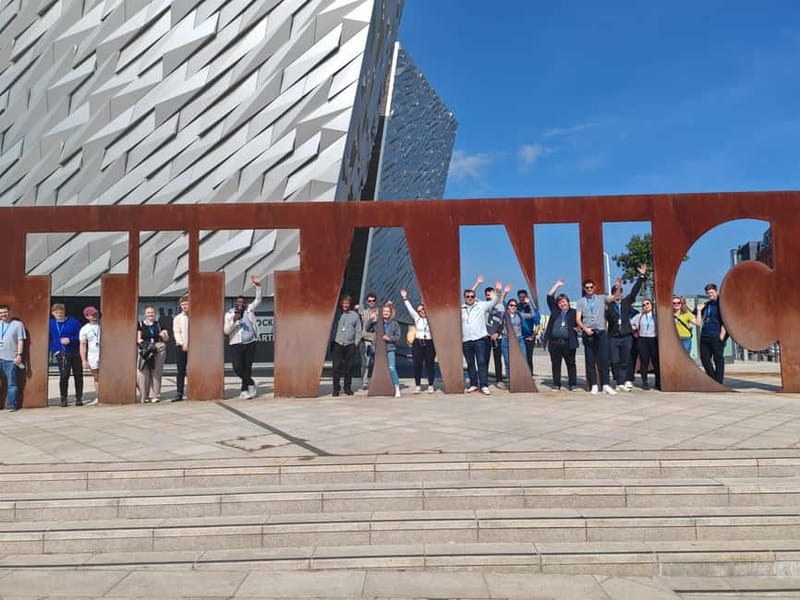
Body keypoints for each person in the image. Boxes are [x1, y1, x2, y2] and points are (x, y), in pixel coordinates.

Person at [462, 278, 507, 395]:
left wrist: (498, 291)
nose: (470, 298)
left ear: (474, 297)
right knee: (470, 364)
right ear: (464, 297)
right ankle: (473, 384)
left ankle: (484, 385)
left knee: (482, 362)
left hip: (479, 340)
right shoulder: (461, 309)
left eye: (472, 296)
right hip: (466, 340)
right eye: (468, 296)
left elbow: (495, 301)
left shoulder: (481, 305)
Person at [605, 265, 646, 392]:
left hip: (626, 335)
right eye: (615, 292)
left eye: (619, 292)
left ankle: (622, 382)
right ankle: (618, 379)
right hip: (613, 336)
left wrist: (641, 276)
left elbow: (634, 291)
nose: (618, 294)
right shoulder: (608, 305)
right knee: (615, 360)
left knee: (625, 360)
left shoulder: (626, 302)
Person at [224, 275, 262, 399]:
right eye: (238, 302)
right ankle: (251, 382)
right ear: (235, 303)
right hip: (236, 344)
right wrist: (234, 321)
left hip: (250, 343)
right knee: (237, 367)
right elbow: (226, 331)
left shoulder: (249, 310)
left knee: (247, 367)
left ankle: (245, 390)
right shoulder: (229, 314)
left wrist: (258, 286)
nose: (240, 304)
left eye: (242, 302)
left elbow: (258, 300)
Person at [576, 279, 615, 395]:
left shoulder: (601, 298)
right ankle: (593, 385)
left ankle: (606, 384)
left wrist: (618, 287)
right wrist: (585, 329)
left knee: (604, 360)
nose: (589, 289)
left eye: (591, 287)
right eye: (587, 287)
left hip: (601, 332)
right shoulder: (581, 301)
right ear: (584, 288)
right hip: (588, 332)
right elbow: (578, 319)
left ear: (594, 287)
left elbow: (614, 297)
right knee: (590, 360)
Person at [543, 280, 578, 391]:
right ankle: (556, 384)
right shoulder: (555, 311)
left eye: (564, 302)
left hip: (569, 342)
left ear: (568, 302)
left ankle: (572, 384)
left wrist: (579, 328)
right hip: (554, 342)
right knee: (556, 364)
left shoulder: (574, 312)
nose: (562, 304)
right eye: (560, 303)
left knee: (571, 364)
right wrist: (557, 285)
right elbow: (549, 296)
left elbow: (582, 322)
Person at [401, 289, 435, 393]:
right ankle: (418, 385)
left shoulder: (431, 318)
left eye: (423, 309)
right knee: (417, 364)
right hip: (418, 343)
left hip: (429, 342)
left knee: (430, 364)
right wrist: (405, 298)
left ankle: (430, 385)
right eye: (419, 311)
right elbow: (410, 309)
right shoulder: (417, 318)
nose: (422, 312)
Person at [49, 303, 83, 407]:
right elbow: (49, 338)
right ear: (53, 313)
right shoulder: (50, 323)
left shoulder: (74, 322)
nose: (59, 314)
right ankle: (63, 398)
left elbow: (81, 336)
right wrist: (55, 350)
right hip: (61, 353)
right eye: (57, 313)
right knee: (64, 376)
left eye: (61, 312)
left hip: (75, 352)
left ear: (64, 312)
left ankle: (78, 398)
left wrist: (70, 340)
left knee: (78, 375)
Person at [136, 305, 169, 403]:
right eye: (148, 312)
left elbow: (166, 338)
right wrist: (147, 345)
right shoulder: (140, 324)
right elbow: (138, 339)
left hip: (157, 349)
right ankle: (144, 396)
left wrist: (164, 335)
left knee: (156, 373)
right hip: (145, 350)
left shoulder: (159, 324)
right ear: (145, 314)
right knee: (142, 373)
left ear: (155, 313)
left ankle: (155, 395)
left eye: (152, 312)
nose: (150, 314)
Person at [501, 297, 535, 384]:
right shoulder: (504, 315)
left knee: (523, 360)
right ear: (508, 306)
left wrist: (529, 303)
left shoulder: (519, 315)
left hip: (518, 339)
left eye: (515, 305)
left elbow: (532, 314)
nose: (513, 307)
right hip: (506, 339)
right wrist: (504, 293)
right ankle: (510, 380)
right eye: (511, 305)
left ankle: (523, 379)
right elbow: (500, 302)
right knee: (508, 361)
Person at [697, 283, 726, 384]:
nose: (710, 294)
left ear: (716, 292)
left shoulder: (721, 304)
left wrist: (722, 335)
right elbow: (695, 312)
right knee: (705, 359)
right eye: (708, 293)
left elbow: (726, 320)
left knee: (718, 359)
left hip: (716, 335)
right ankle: (713, 379)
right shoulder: (707, 304)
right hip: (704, 335)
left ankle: (719, 380)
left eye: (711, 292)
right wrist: (684, 305)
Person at [371, 301, 401, 397]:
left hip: (390, 348)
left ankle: (397, 388)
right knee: (379, 369)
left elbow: (398, 337)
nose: (386, 313)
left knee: (392, 368)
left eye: (387, 311)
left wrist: (389, 338)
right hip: (379, 350)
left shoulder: (394, 324)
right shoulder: (377, 323)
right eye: (384, 311)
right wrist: (371, 320)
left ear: (390, 313)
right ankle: (381, 387)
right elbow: (367, 328)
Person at [0, 305, 26, 412]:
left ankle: (12, 405)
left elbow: (20, 340)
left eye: (5, 312)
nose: (3, 314)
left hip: (11, 359)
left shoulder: (17, 325)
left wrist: (19, 354)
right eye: (1, 313)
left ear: (9, 312)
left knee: (12, 383)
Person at [631, 299, 660, 390]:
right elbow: (631, 324)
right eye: (643, 305)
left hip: (653, 339)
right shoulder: (639, 316)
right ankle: (645, 382)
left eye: (647, 304)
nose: (646, 306)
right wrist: (633, 327)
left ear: (652, 305)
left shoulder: (656, 316)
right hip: (642, 340)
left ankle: (658, 382)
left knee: (656, 361)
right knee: (644, 361)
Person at [78, 306, 101, 406]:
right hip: (93, 355)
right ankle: (99, 397)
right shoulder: (84, 329)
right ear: (87, 316)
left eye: (96, 313)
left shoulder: (103, 325)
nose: (95, 316)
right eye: (92, 314)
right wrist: (84, 360)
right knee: (96, 376)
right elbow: (83, 344)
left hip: (106, 354)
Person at [485, 286, 505, 387]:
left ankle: (499, 380)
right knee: (485, 359)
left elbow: (503, 322)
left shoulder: (500, 306)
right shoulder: (484, 305)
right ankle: (484, 380)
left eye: (490, 293)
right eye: (486, 294)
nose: (488, 295)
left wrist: (497, 333)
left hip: (497, 336)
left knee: (497, 359)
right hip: (486, 335)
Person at [517, 289, 541, 373]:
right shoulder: (517, 308)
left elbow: (537, 324)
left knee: (528, 358)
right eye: (520, 297)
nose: (522, 299)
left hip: (529, 337)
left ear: (527, 297)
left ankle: (530, 374)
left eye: (524, 297)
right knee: (519, 358)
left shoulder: (533, 309)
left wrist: (533, 336)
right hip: (519, 336)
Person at [358, 293, 379, 391]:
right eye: (369, 301)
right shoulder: (363, 312)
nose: (371, 302)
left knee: (376, 363)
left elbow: (391, 314)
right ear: (367, 302)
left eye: (373, 300)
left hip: (377, 340)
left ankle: (376, 382)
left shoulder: (380, 312)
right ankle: (365, 382)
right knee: (365, 363)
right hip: (366, 340)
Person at [172, 295, 189, 401]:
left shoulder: (195, 316)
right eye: (182, 305)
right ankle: (179, 393)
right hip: (181, 347)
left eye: (186, 304)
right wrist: (182, 343)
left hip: (194, 347)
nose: (184, 306)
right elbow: (176, 332)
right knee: (180, 370)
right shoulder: (178, 318)